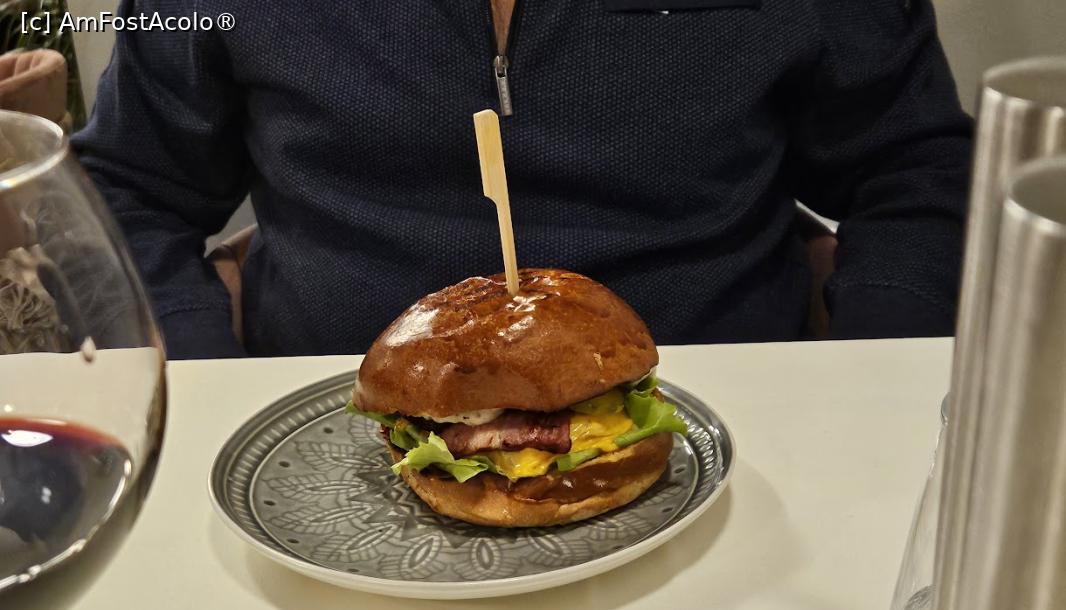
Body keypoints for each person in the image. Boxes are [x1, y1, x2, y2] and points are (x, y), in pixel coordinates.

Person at [73, 0, 973, 359]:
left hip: (736, 440)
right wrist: (197, 384)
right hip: (318, 439)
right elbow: (125, 192)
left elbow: (915, 168)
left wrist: (881, 371)